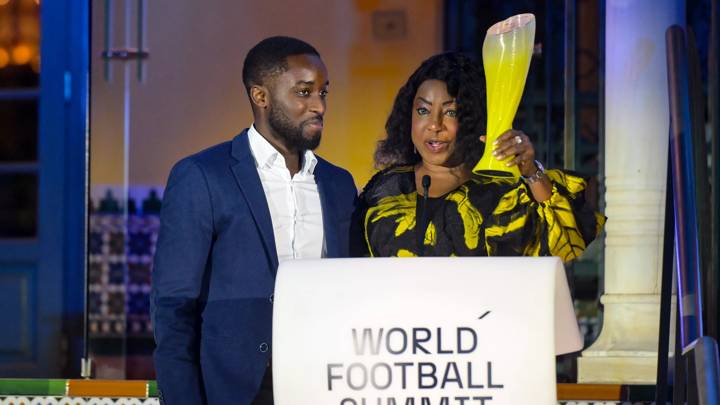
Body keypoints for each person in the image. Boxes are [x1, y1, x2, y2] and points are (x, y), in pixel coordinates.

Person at [151, 36, 357, 404]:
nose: (319, 106)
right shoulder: (202, 176)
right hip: (237, 389)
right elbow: (173, 307)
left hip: (323, 382)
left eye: (324, 92)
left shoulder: (339, 184)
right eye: (304, 92)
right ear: (260, 97)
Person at [352, 52, 604, 259]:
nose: (434, 125)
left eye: (451, 112)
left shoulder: (501, 191)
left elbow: (566, 242)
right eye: (423, 110)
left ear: (473, 120)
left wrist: (530, 171)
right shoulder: (384, 190)